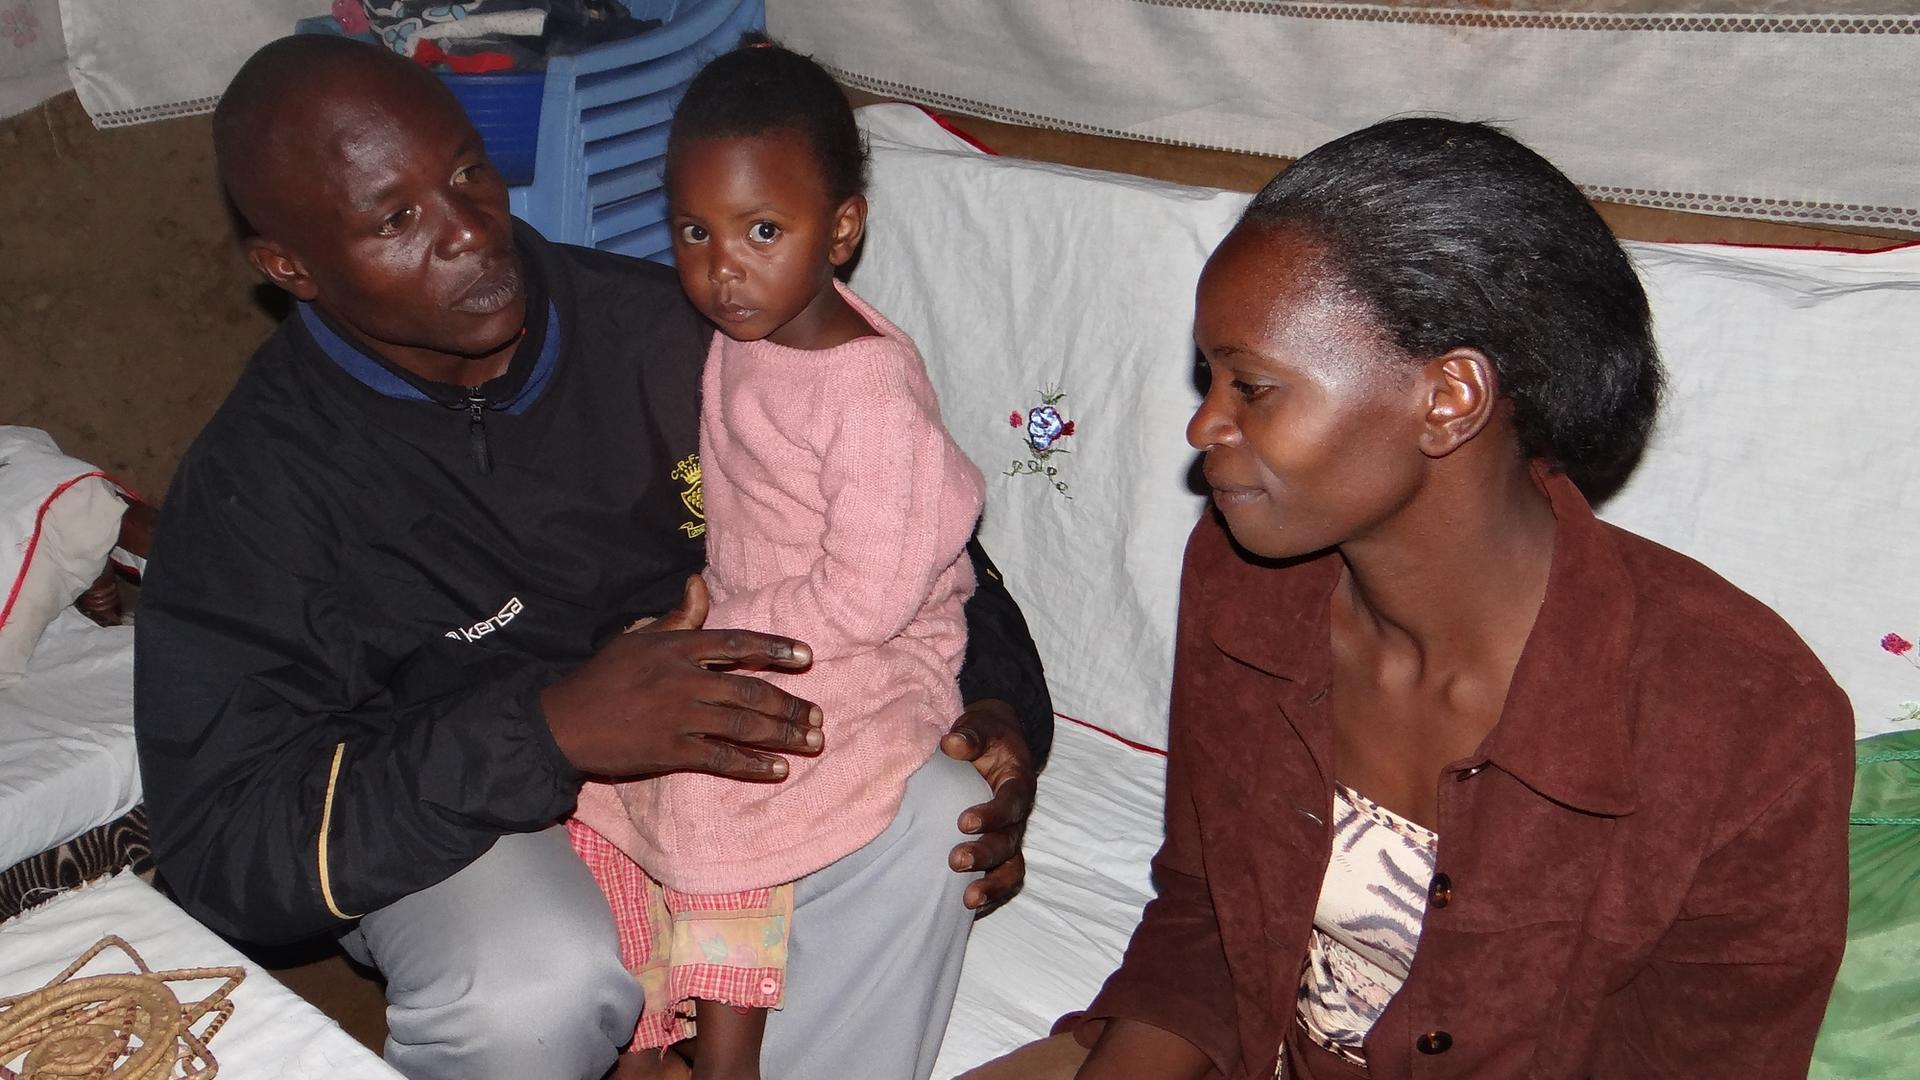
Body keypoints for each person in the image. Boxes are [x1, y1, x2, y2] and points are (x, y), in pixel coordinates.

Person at [133, 34, 1051, 1080]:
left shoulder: (673, 333)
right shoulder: (260, 488)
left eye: (470, 172)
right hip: (469, 814)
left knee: (939, 810)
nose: (473, 233)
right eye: (398, 220)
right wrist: (546, 732)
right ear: (289, 267)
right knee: (529, 984)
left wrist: (1001, 709)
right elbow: (221, 844)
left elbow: (920, 535)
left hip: (707, 767)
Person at [967, 119, 1852, 1080]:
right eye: (1211, 378)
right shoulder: (1242, 580)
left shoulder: (1750, 720)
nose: (1204, 424)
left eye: (1254, 386)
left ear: (1450, 397)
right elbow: (1206, 921)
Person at [567, 37, 990, 1080]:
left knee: (720, 783)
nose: (723, 268)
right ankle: (655, 1012)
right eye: (695, 233)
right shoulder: (743, 338)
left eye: (764, 231)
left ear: (841, 230)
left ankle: (729, 1051)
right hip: (778, 616)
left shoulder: (867, 393)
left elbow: (872, 592)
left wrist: (730, 645)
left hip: (875, 645)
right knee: (603, 778)